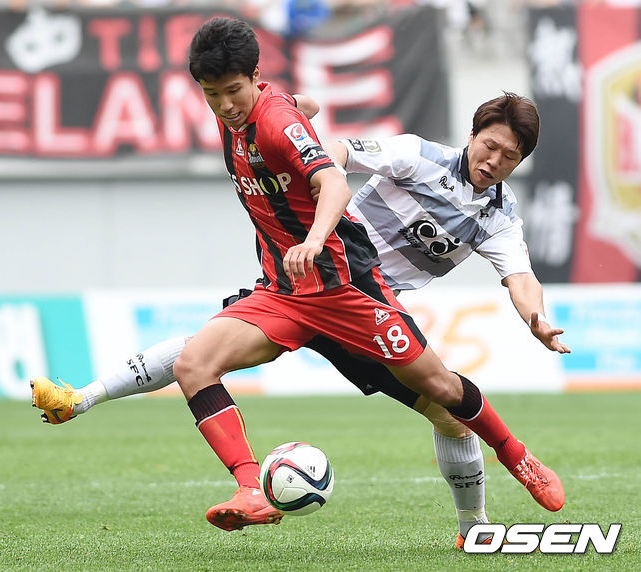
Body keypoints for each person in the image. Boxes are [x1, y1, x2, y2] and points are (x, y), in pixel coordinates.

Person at [31, 16, 564, 540]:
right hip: (292, 285)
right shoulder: (415, 154)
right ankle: (219, 474)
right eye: (489, 146)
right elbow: (336, 151)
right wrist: (304, 132)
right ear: (471, 135)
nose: (493, 161)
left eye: (508, 157)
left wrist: (536, 318)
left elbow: (519, 276)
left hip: (352, 288)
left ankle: (501, 483)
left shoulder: (499, 219)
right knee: (197, 358)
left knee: (446, 400)